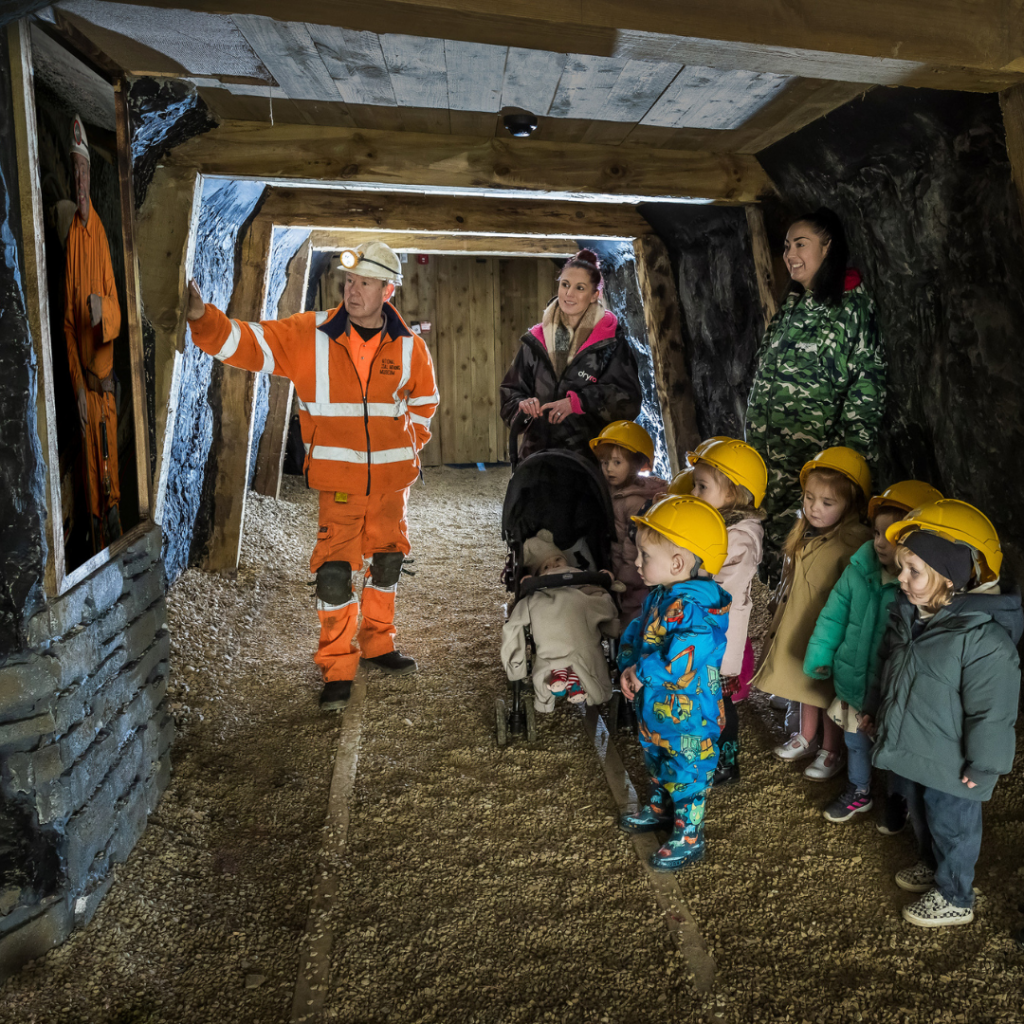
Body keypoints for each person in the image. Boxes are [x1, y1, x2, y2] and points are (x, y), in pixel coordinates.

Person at [185, 240, 438, 711]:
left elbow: (425, 404)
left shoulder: (411, 347)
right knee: (334, 576)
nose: (352, 289)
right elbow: (249, 343)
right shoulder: (309, 334)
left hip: (390, 488)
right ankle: (337, 667)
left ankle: (379, 645)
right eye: (350, 280)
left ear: (388, 290)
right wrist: (204, 317)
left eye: (364, 282)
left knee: (386, 565)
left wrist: (407, 447)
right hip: (339, 488)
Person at [861, 500, 1021, 927]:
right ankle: (932, 866)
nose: (901, 578)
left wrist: (985, 766)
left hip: (954, 764)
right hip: (915, 748)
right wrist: (875, 710)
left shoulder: (984, 639)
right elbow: (887, 668)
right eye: (902, 567)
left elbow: (993, 710)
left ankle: (955, 896)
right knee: (922, 813)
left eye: (914, 570)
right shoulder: (908, 614)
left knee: (953, 825)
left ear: (949, 578)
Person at [745, 208, 886, 578]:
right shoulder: (793, 304)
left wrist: (838, 472)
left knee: (809, 568)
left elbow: (865, 393)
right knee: (776, 565)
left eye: (801, 244)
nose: (790, 254)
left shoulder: (852, 306)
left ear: (828, 247)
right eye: (787, 245)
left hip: (811, 473)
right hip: (771, 466)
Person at [803, 480, 942, 824]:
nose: (879, 543)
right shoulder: (858, 568)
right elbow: (833, 615)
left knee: (894, 749)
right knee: (855, 742)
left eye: (890, 537)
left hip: (893, 693)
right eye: (877, 533)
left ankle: (897, 798)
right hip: (853, 681)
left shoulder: (919, 591)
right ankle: (859, 790)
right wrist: (820, 655)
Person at [616, 496, 731, 871]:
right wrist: (627, 663)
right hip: (657, 710)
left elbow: (680, 657)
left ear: (678, 563)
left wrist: (641, 672)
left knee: (688, 769)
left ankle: (690, 833)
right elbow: (641, 631)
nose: (636, 562)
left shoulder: (697, 612)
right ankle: (663, 807)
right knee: (658, 756)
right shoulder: (664, 594)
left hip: (689, 716)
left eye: (644, 555)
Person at [751, 447, 872, 780]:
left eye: (827, 503)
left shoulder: (854, 545)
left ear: (851, 505)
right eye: (809, 498)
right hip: (802, 624)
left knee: (827, 691)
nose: (813, 508)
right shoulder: (806, 532)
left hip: (829, 631)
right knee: (804, 684)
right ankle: (805, 736)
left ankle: (831, 750)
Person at [499, 249, 642, 462]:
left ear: (595, 294)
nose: (569, 294)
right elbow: (510, 394)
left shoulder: (611, 343)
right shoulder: (535, 341)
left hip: (589, 463)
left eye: (580, 288)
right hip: (535, 460)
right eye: (565, 284)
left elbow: (629, 400)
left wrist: (580, 402)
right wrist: (523, 406)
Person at [687, 438, 767, 786]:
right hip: (703, 626)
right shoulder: (713, 523)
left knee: (718, 699)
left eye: (701, 486)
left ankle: (727, 761)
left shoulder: (742, 537)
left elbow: (725, 586)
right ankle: (702, 749)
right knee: (700, 694)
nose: (692, 491)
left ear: (733, 494)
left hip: (719, 630)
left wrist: (686, 577)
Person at [63, 113, 123, 550]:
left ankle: (114, 545)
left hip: (104, 389)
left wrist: (101, 310)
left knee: (109, 479)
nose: (80, 183)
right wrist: (76, 389)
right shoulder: (71, 238)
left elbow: (116, 313)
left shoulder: (98, 236)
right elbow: (67, 322)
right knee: (88, 480)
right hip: (86, 387)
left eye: (84, 172)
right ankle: (94, 549)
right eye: (75, 173)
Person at [501, 530, 620, 712]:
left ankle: (568, 682)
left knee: (594, 603)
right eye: (546, 567)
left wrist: (604, 582)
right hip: (550, 638)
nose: (554, 567)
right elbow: (514, 622)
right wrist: (528, 587)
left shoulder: (581, 578)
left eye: (558, 560)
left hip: (582, 632)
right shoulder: (536, 589)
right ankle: (572, 681)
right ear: (537, 575)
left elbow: (600, 599)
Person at [590, 420, 666, 623]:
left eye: (617, 463)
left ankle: (632, 646)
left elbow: (633, 545)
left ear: (635, 464)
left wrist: (624, 579)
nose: (608, 469)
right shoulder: (611, 491)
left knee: (634, 614)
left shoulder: (634, 502)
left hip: (633, 578)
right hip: (617, 564)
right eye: (604, 462)